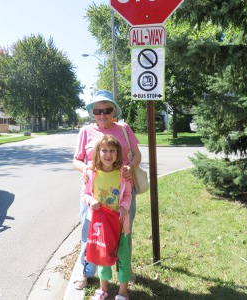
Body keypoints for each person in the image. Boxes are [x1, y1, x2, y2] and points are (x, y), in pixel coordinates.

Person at [73, 90, 141, 290]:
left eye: (107, 110)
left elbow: (136, 155)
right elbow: (76, 160)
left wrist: (130, 167)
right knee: (90, 234)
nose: (102, 114)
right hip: (93, 194)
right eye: (97, 110)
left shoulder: (124, 128)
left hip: (122, 192)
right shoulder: (85, 131)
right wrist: (85, 168)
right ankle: (86, 272)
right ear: (92, 112)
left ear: (114, 111)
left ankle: (124, 272)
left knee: (123, 233)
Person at [83, 135, 132, 300]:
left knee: (123, 257)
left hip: (119, 224)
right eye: (104, 150)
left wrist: (124, 206)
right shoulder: (91, 173)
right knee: (102, 256)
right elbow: (85, 194)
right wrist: (91, 200)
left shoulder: (122, 174)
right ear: (98, 152)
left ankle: (123, 292)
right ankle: (103, 289)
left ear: (118, 153)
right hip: (101, 225)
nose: (108, 154)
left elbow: (127, 195)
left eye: (112, 150)